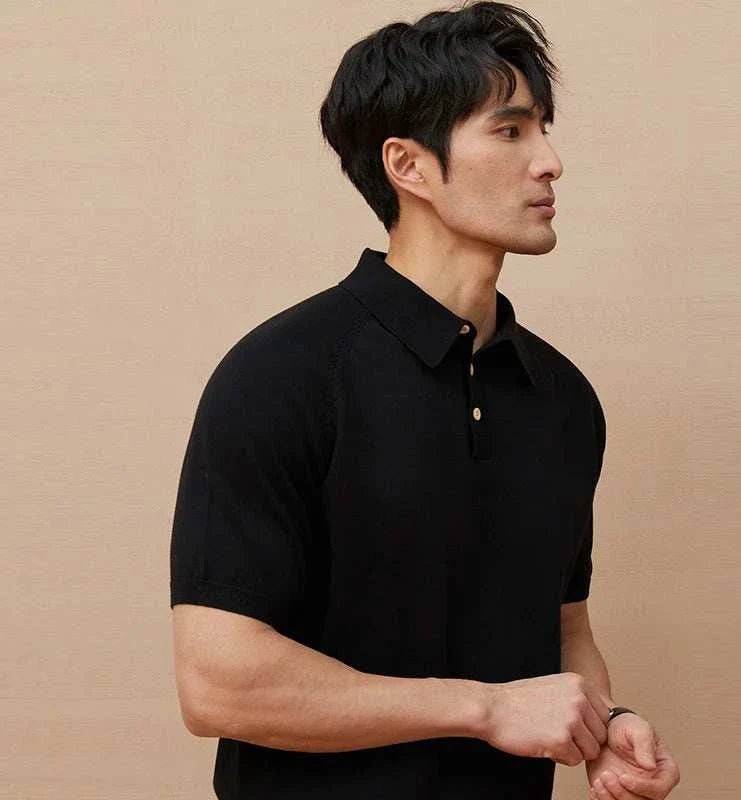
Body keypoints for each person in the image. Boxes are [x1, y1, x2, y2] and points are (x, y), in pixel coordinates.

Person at [169, 2, 681, 798]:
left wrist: (604, 725)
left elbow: (564, 627)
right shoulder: (280, 375)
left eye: (543, 129)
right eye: (510, 131)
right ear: (408, 166)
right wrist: (484, 710)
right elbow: (217, 684)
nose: (550, 162)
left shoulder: (563, 398)